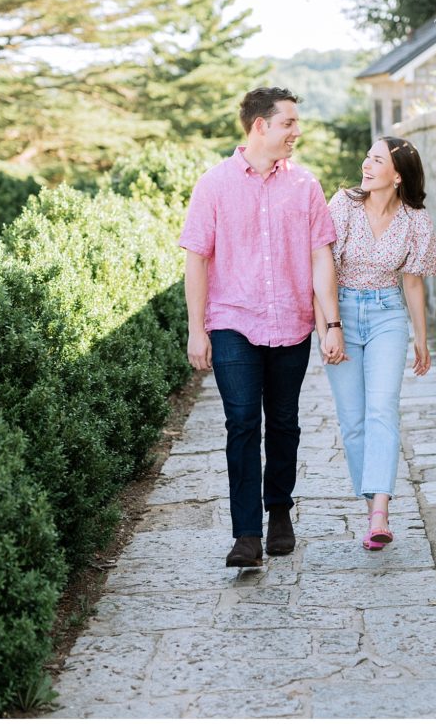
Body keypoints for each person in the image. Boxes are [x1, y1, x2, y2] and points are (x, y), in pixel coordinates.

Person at [180, 87, 345, 568]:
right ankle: (246, 535)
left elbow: (320, 258)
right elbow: (197, 260)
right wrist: (197, 329)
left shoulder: (306, 186)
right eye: (289, 122)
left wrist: (330, 323)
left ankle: (279, 512)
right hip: (232, 320)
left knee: (286, 423)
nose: (297, 131)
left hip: (291, 322)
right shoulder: (213, 185)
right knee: (242, 424)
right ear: (260, 126)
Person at [314, 136, 436, 550]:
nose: (366, 165)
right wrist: (328, 328)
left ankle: (381, 512)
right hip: (343, 312)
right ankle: (372, 511)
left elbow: (414, 282)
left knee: (382, 410)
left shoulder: (415, 221)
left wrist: (421, 339)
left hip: (388, 313)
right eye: (367, 157)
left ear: (398, 174)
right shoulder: (344, 205)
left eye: (377, 160)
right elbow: (323, 270)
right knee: (353, 421)